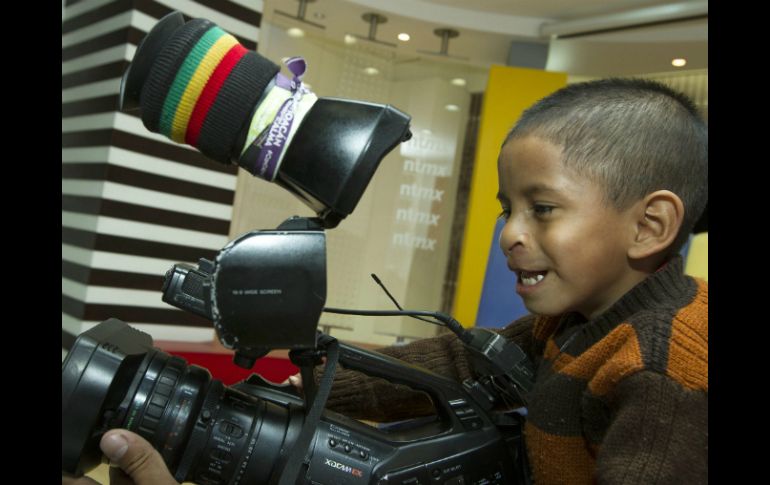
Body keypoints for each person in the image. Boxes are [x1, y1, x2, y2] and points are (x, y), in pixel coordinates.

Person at [64, 78, 708, 484]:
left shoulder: (664, 371)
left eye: (542, 208)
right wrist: (310, 382)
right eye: (505, 209)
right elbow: (463, 358)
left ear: (649, 226)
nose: (509, 234)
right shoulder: (572, 323)